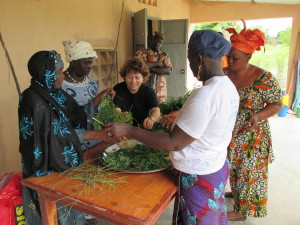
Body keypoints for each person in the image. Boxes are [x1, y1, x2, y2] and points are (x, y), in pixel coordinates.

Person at [105, 30, 240, 225]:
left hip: (199, 174)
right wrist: (181, 121)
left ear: (198, 57)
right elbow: (207, 123)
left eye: (190, 59)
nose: (190, 65)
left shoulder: (205, 95)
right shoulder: (227, 87)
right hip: (216, 164)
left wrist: (128, 130)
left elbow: (173, 143)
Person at [18, 50, 116, 224]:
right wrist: (98, 135)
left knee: (70, 207)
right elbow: (57, 136)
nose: (62, 76)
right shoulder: (34, 101)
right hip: (45, 167)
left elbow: (77, 114)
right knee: (52, 212)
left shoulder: (53, 93)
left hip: (60, 163)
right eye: (58, 72)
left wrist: (98, 99)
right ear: (45, 73)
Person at [225, 20, 283, 221]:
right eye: (228, 56)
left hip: (252, 133)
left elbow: (277, 104)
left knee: (248, 171)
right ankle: (238, 195)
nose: (230, 61)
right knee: (233, 167)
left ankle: (242, 212)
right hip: (230, 131)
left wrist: (257, 116)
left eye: (235, 58)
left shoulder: (263, 78)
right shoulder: (225, 73)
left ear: (248, 56)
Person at [61, 40, 115, 150]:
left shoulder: (90, 81)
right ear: (74, 61)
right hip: (75, 147)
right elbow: (64, 122)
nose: (90, 66)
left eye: (91, 62)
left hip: (98, 141)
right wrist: (99, 97)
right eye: (86, 63)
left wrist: (106, 100)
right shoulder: (60, 86)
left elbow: (96, 112)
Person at [113, 57, 160, 130]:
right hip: (123, 128)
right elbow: (116, 110)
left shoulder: (148, 91)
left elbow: (156, 110)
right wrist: (122, 115)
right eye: (129, 77)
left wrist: (151, 120)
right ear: (125, 77)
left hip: (142, 127)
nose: (133, 81)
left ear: (143, 78)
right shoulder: (118, 89)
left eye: (137, 77)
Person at [135, 31, 172, 103]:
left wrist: (149, 68)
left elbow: (168, 70)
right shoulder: (141, 53)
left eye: (160, 42)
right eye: (156, 41)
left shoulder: (164, 55)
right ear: (151, 40)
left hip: (160, 92)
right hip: (143, 89)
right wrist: (158, 63)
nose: (158, 44)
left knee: (158, 112)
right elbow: (139, 65)